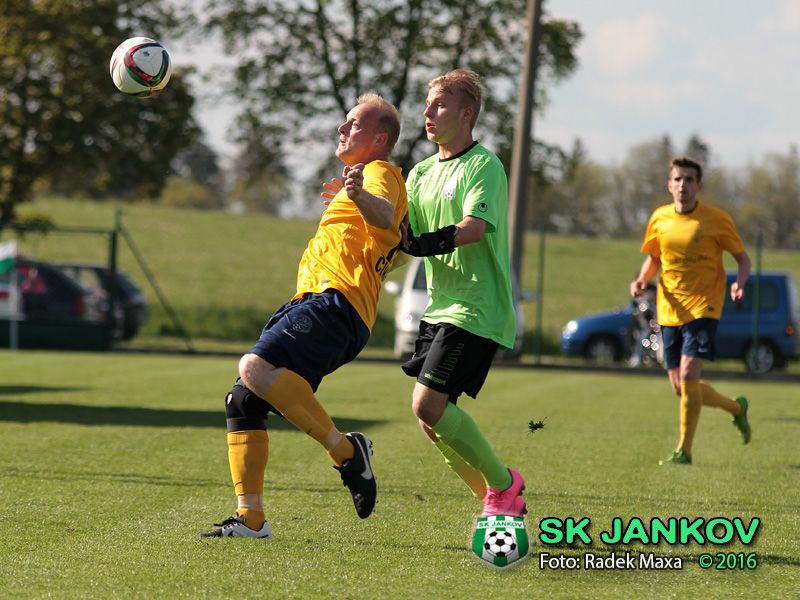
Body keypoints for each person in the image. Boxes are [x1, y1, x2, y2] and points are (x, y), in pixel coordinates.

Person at [199, 94, 407, 537]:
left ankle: (347, 453)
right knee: (243, 400)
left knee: (255, 366)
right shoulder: (360, 180)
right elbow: (390, 237)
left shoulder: (379, 172)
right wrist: (352, 199)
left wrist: (360, 195)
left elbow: (386, 213)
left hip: (336, 303)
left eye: (352, 124)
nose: (341, 129)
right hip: (311, 302)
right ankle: (251, 520)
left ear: (380, 138)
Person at [399, 69, 525, 517]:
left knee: (426, 404)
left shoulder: (483, 165)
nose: (428, 113)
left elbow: (473, 229)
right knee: (429, 421)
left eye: (440, 105)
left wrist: (426, 243)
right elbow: (402, 234)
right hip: (440, 307)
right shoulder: (418, 174)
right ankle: (498, 501)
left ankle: (504, 483)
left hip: (476, 307)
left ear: (466, 113)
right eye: (428, 104)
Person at [630, 156, 752, 466]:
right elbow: (655, 258)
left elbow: (742, 259)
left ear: (699, 185)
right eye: (678, 179)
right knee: (681, 388)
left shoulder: (716, 219)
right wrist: (642, 279)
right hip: (669, 310)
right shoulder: (659, 218)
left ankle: (684, 451)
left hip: (705, 306)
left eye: (689, 179)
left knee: (688, 375)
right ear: (669, 185)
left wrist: (739, 283)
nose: (683, 185)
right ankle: (737, 409)